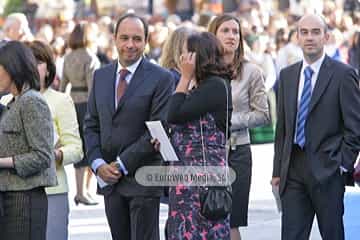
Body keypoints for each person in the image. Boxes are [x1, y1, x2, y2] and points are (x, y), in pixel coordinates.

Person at [84, 13, 174, 240]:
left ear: (146, 40)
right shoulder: (101, 76)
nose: (130, 45)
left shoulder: (161, 78)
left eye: (136, 39)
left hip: (143, 179)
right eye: (124, 38)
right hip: (109, 182)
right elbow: (91, 125)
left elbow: (157, 129)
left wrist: (120, 165)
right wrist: (98, 164)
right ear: (114, 38)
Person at [271, 14, 360, 240]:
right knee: (291, 236)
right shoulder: (287, 75)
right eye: (304, 32)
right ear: (297, 37)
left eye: (315, 32)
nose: (309, 37)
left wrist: (342, 166)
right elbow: (282, 129)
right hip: (292, 171)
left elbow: (355, 127)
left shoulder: (344, 75)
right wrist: (277, 171)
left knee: (332, 235)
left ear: (326, 36)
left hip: (328, 170)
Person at [208, 14, 270, 240]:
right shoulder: (202, 69)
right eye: (225, 30)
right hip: (206, 154)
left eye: (235, 32)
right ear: (213, 34)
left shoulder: (251, 71)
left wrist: (228, 122)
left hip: (237, 152)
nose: (231, 36)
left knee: (231, 222)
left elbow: (263, 115)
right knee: (205, 219)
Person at [166, 31, 233, 239]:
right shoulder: (202, 87)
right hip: (188, 183)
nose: (182, 58)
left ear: (197, 56)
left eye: (186, 53)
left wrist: (184, 77)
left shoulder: (214, 86)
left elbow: (174, 114)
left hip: (202, 186)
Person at [26, 40, 83, 240]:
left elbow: (76, 148)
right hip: (15, 192)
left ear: (48, 69)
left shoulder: (61, 101)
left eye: (38, 62)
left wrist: (56, 154)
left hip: (52, 190)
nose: (32, 67)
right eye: (27, 62)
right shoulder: (6, 102)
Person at [0, 41, 57, 240]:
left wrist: (2, 162)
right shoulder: (13, 103)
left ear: (13, 67)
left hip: (26, 200)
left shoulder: (32, 101)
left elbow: (42, 156)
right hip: (11, 198)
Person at [60, 21, 101, 205]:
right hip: (88, 103)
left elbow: (62, 86)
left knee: (78, 147)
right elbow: (94, 87)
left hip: (72, 103)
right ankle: (85, 191)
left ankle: (80, 191)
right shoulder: (90, 57)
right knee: (91, 145)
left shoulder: (67, 58)